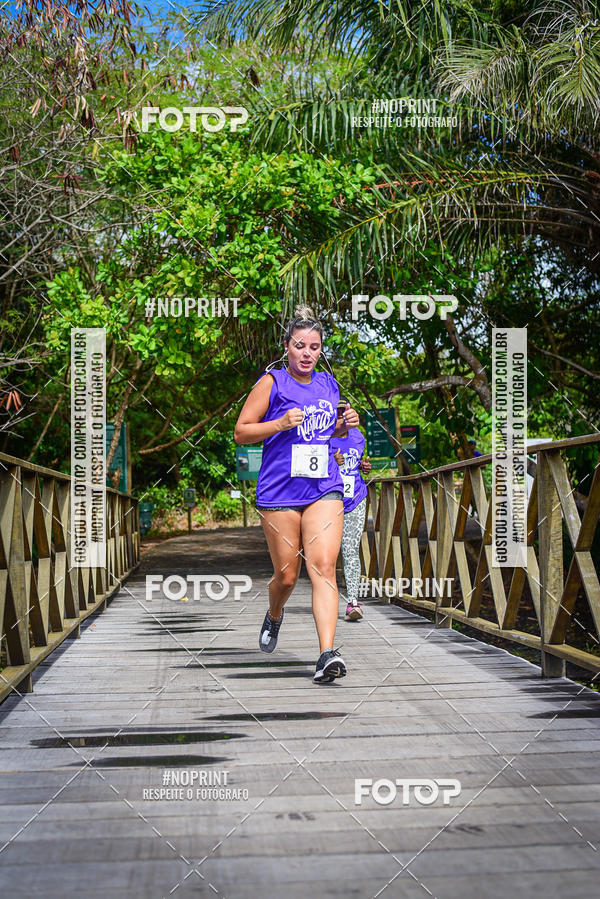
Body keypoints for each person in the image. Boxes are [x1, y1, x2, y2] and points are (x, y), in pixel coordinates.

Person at [233, 305, 360, 683]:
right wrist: (279, 423)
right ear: (287, 347)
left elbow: (327, 435)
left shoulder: (328, 385)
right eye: (300, 345)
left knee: (323, 567)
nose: (307, 353)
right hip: (280, 491)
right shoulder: (272, 382)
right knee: (287, 576)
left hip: (324, 486)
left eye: (315, 347)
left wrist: (344, 425)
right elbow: (241, 431)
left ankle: (326, 654)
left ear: (321, 351)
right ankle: (274, 614)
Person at [331, 402, 371, 621]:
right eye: (336, 411)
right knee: (327, 555)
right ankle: (327, 601)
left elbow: (357, 465)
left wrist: (364, 468)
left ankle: (353, 602)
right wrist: (331, 462)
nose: (341, 414)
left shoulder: (358, 436)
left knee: (350, 550)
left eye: (344, 409)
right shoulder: (324, 434)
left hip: (355, 498)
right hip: (328, 501)